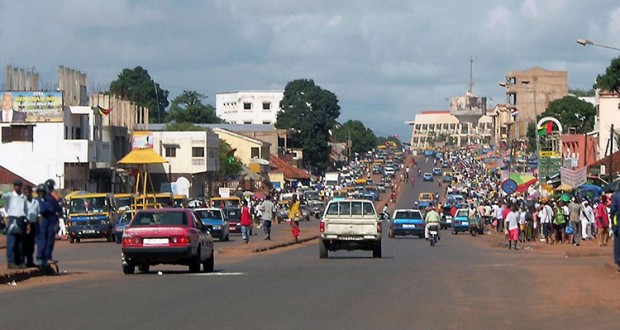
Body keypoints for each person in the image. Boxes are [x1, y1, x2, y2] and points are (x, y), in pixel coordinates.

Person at [2, 179, 28, 269]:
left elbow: (26, 210)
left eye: (18, 186)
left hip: (21, 219)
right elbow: (2, 196)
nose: (16, 187)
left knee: (20, 242)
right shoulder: (10, 195)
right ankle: (10, 261)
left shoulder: (23, 198)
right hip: (13, 219)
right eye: (15, 185)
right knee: (11, 241)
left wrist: (27, 222)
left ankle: (20, 261)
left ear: (20, 187)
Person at [37, 180, 62, 266]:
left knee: (48, 240)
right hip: (44, 220)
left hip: (50, 220)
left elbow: (58, 209)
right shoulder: (43, 199)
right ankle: (42, 258)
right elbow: (57, 209)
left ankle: (46, 257)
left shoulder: (50, 198)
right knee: (43, 240)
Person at [23, 185, 40, 268]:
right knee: (24, 243)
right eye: (25, 192)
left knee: (31, 244)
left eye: (28, 192)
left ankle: (30, 261)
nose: (26, 194)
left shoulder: (36, 203)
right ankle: (22, 262)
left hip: (33, 225)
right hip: (24, 225)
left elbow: (38, 215)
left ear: (31, 193)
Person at [609, 191, 620, 271]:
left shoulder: (616, 196)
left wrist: (613, 224)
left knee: (618, 243)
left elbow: (613, 211)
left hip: (618, 223)